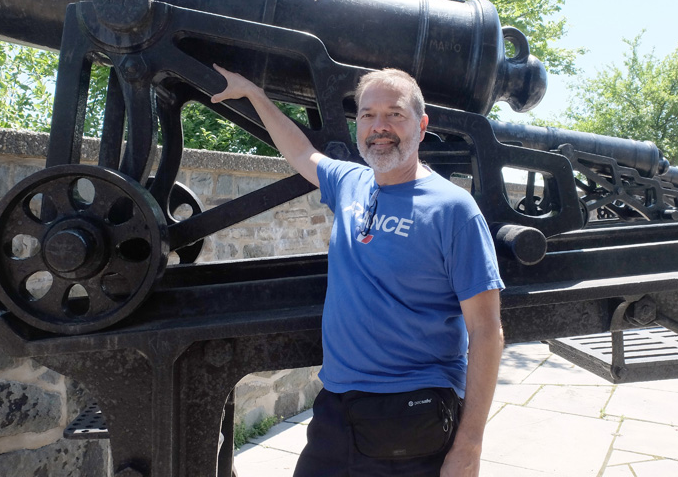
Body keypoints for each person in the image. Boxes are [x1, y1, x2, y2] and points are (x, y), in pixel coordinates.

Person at [212, 64, 504, 477]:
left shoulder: (453, 210)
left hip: (412, 411)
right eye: (368, 115)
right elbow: (301, 152)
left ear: (421, 126)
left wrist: (470, 445)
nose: (379, 126)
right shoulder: (351, 182)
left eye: (394, 114)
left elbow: (487, 331)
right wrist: (254, 94)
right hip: (337, 406)